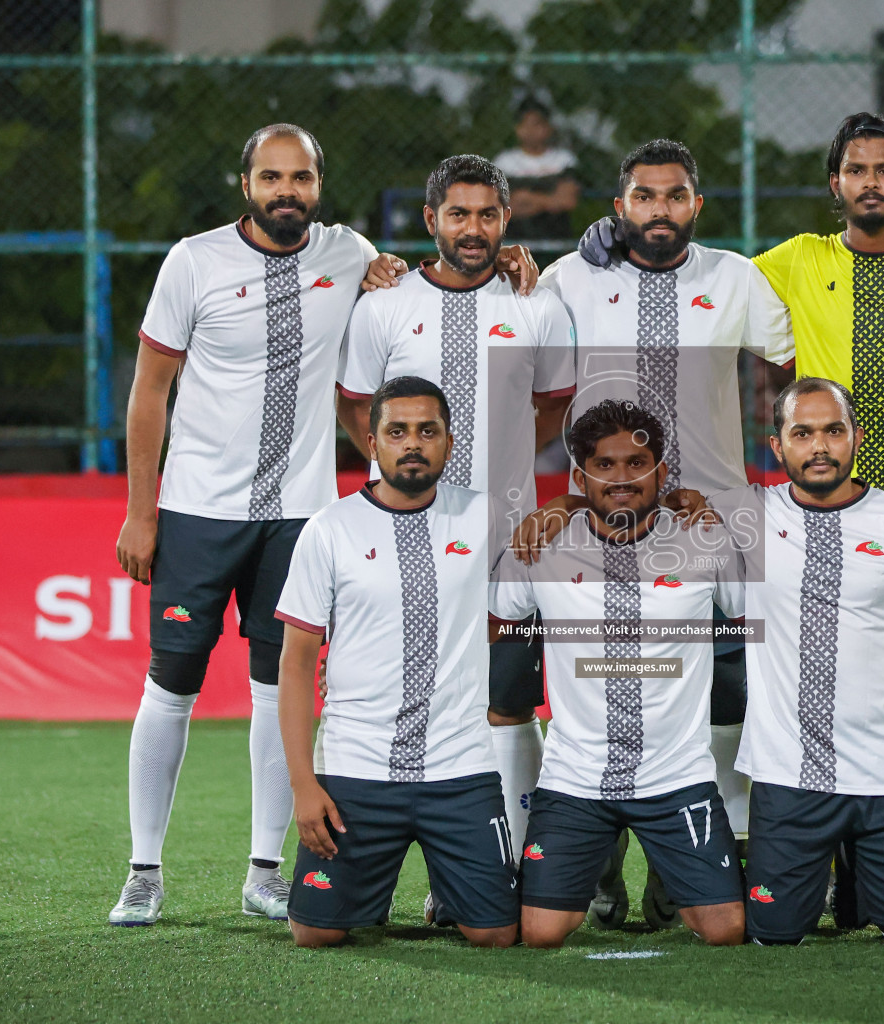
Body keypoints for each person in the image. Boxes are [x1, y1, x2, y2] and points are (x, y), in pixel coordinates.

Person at [108, 123, 418, 927]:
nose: (289, 191)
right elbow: (150, 392)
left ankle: (262, 871)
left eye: (302, 178)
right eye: (272, 177)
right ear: (245, 184)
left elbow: (412, 303)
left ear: (320, 184)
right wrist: (141, 511)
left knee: (275, 690)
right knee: (170, 684)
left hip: (299, 521)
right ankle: (144, 870)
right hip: (197, 514)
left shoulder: (348, 256)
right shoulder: (194, 261)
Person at [531, 138, 794, 929]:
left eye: (675, 196)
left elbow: (797, 357)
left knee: (729, 694)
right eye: (644, 197)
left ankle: (689, 865)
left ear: (696, 206)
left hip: (716, 523)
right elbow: (511, 335)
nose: (659, 210)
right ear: (620, 207)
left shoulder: (735, 278)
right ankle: (598, 863)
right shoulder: (570, 279)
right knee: (596, 685)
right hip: (600, 529)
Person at [336, 153, 575, 906]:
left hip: (507, 547)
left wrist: (502, 482)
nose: (474, 230)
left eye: (488, 215)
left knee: (508, 701)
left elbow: (553, 406)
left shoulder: (537, 305)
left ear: (507, 221)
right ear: (431, 218)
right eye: (459, 214)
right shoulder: (382, 306)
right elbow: (356, 409)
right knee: (417, 700)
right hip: (407, 543)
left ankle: (514, 865)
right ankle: (429, 874)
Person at [707, 377, 884, 946]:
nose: (819, 446)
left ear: (856, 438)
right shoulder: (746, 517)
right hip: (788, 774)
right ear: (777, 447)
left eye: (832, 431)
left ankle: (859, 881)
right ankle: (820, 877)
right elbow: (650, 509)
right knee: (773, 935)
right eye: (802, 433)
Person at [490, 400, 746, 948]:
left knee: (725, 930)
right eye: (604, 466)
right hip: (575, 777)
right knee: (539, 933)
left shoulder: (706, 541)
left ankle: (664, 866)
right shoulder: (542, 544)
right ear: (580, 477)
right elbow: (490, 625)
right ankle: (601, 869)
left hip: (676, 775)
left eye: (637, 463)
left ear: (660, 472)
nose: (622, 477)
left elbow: (762, 621)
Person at [275, 376, 517, 949]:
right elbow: (294, 665)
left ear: (449, 443)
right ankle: (369, 886)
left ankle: (450, 889)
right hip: (357, 767)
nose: (413, 443)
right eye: (398, 431)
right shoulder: (328, 529)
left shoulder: (486, 519)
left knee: (497, 935)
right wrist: (303, 785)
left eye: (427, 431)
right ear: (372, 440)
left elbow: (515, 611)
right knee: (315, 934)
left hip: (459, 766)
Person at [494, 98, 581, 244]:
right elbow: (503, 208)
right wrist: (550, 201)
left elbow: (567, 201)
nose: (530, 131)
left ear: (548, 127)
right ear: (517, 128)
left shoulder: (564, 160)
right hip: (515, 240)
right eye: (524, 125)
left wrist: (526, 198)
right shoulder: (504, 162)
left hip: (556, 239)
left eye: (536, 124)